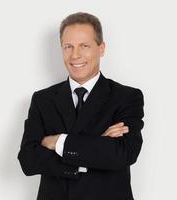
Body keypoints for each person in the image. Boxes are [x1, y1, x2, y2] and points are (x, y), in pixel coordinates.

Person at [17, 12, 144, 200]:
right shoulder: (43, 99)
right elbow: (28, 160)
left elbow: (122, 154)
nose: (75, 55)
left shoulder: (126, 97)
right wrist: (97, 144)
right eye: (68, 46)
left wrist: (57, 141)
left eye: (84, 46)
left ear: (101, 48)